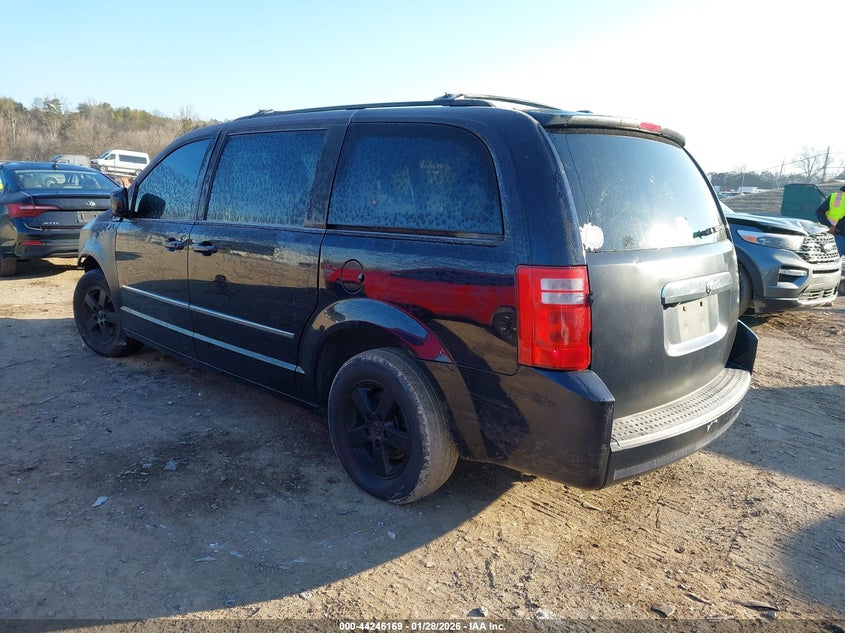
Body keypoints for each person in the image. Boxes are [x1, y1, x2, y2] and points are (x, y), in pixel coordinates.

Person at [815, 185, 845, 256]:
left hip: (839, 236)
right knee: (832, 262)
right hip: (838, 236)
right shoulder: (837, 197)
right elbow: (819, 212)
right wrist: (829, 226)